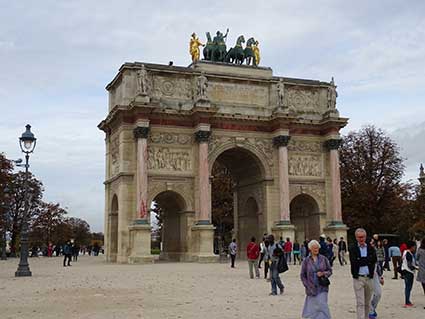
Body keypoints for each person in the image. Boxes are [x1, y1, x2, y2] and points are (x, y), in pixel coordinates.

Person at [300, 239, 332, 319]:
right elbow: (302, 275)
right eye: (314, 248)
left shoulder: (323, 259)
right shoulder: (306, 261)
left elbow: (330, 271)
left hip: (322, 286)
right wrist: (306, 285)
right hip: (311, 287)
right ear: (310, 249)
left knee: (322, 305)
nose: (316, 249)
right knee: (312, 308)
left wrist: (323, 273)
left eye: (317, 248)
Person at [349, 228, 377, 319]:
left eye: (363, 237)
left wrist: (361, 260)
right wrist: (367, 260)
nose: (361, 239)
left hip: (369, 277)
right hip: (358, 278)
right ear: (356, 237)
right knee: (360, 302)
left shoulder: (371, 248)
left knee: (367, 302)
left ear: (365, 237)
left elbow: (374, 260)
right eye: (359, 237)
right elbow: (354, 262)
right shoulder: (352, 248)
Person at [369, 241, 385, 319]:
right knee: (369, 295)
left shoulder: (374, 252)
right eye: (371, 243)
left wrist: (380, 277)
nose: (373, 245)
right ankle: (370, 311)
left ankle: (373, 308)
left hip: (375, 275)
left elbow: (378, 265)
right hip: (366, 276)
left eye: (373, 243)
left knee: (378, 294)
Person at [401, 240, 418, 307]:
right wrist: (416, 268)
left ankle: (407, 301)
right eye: (414, 247)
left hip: (405, 271)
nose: (415, 248)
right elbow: (410, 265)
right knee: (408, 287)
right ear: (412, 247)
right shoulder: (409, 254)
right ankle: (407, 301)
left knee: (407, 287)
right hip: (409, 272)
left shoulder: (405, 252)